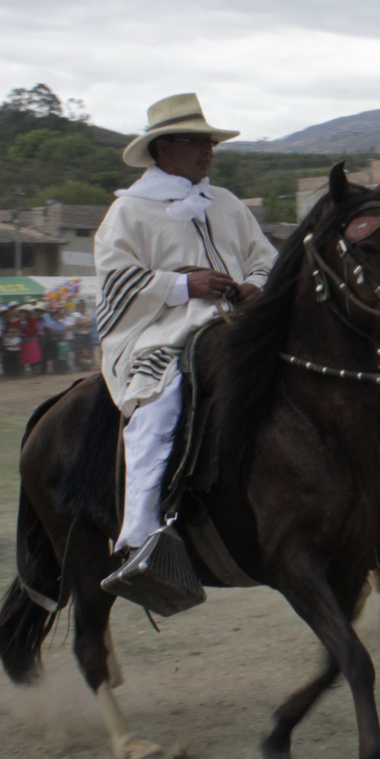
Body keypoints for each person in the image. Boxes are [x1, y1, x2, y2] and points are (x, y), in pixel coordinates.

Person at [95, 93, 275, 567]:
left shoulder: (227, 203)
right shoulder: (127, 214)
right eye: (195, 141)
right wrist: (181, 285)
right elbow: (115, 284)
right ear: (162, 149)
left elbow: (264, 258)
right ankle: (140, 537)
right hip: (163, 334)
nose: (207, 150)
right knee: (160, 400)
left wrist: (256, 285)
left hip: (240, 325)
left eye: (210, 141)